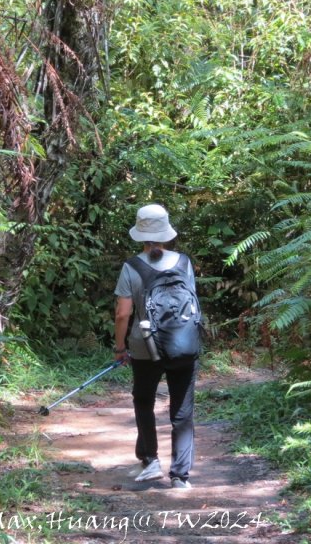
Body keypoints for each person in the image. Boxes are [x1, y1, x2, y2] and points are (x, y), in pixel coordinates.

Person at [113, 204, 199, 489]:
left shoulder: (131, 267)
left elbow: (122, 314)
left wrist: (119, 347)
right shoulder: (184, 262)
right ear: (166, 233)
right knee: (182, 410)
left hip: (143, 346)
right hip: (183, 344)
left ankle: (150, 460)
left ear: (140, 234)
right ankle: (180, 477)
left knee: (144, 400)